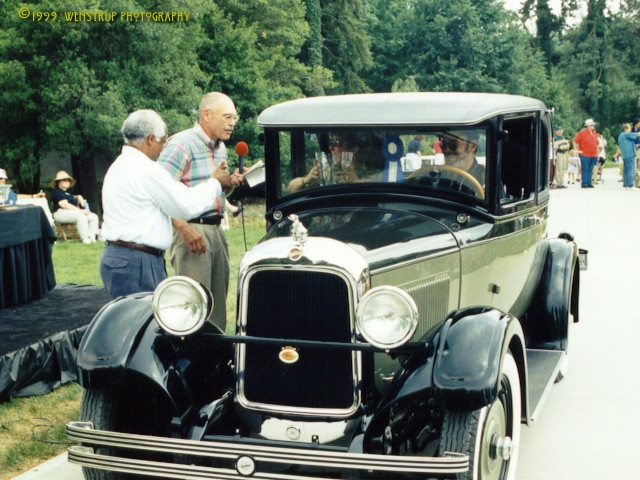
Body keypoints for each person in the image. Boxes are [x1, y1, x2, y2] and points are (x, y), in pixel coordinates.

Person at [100, 109, 234, 300]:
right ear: (150, 139)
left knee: (130, 321)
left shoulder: (120, 165)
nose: (163, 148)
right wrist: (215, 183)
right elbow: (185, 206)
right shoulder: (146, 170)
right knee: (142, 323)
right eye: (163, 141)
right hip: (137, 261)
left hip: (123, 257)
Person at [157, 92, 244, 332]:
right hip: (190, 230)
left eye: (234, 118)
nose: (232, 123)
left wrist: (231, 182)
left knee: (216, 309)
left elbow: (216, 193)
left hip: (216, 229)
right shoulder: (180, 144)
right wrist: (184, 229)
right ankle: (190, 366)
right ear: (207, 114)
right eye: (227, 117)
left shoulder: (221, 148)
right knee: (192, 308)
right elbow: (158, 192)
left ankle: (215, 364)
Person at [51, 170, 99, 244]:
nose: (67, 181)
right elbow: (64, 205)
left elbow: (73, 197)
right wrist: (80, 211)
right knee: (80, 216)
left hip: (72, 213)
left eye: (68, 180)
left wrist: (79, 196)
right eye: (64, 180)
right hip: (60, 213)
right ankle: (85, 238)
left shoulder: (67, 193)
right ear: (58, 182)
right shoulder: (58, 192)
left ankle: (92, 237)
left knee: (93, 216)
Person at [573, 118, 599, 188]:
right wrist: (576, 150)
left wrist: (597, 154)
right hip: (585, 154)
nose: (593, 126)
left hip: (593, 154)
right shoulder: (582, 133)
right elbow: (575, 141)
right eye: (591, 125)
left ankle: (589, 182)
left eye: (593, 125)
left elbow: (596, 144)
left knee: (590, 169)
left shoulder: (594, 133)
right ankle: (584, 183)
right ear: (587, 126)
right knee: (585, 168)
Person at [617, 123, 640, 189]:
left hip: (625, 155)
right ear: (626, 129)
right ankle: (630, 184)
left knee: (626, 170)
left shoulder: (621, 135)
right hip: (630, 154)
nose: (631, 129)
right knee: (631, 169)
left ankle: (626, 184)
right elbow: (638, 134)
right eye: (629, 128)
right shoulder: (626, 134)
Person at [632, 117, 640, 188]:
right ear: (636, 123)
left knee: (638, 164)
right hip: (632, 148)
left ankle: (638, 183)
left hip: (639, 148)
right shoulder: (631, 130)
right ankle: (633, 181)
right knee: (633, 165)